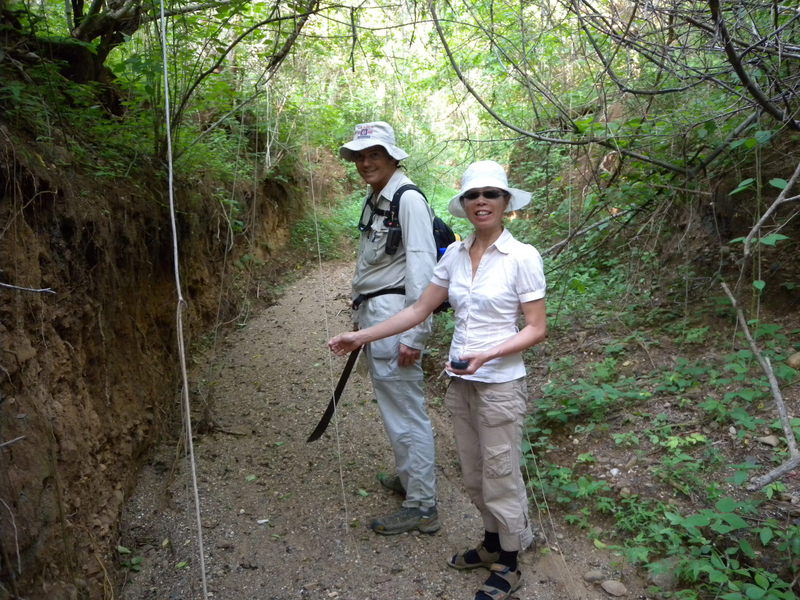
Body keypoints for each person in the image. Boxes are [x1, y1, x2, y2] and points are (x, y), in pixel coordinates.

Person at [328, 160, 546, 600]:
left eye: (490, 194)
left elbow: (536, 327)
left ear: (506, 203)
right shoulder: (456, 255)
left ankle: (510, 562)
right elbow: (417, 309)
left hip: (500, 384)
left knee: (501, 473)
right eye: (472, 195)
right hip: (461, 381)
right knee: (473, 471)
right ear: (464, 205)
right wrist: (361, 335)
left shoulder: (522, 256)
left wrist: (488, 353)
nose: (480, 202)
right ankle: (490, 544)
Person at [338, 121, 440, 535]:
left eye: (373, 154)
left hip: (397, 318)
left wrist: (416, 334)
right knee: (396, 407)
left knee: (404, 412)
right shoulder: (377, 197)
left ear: (393, 156)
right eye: (360, 156)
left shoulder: (407, 199)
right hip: (379, 313)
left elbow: (423, 270)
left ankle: (422, 505)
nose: (365, 163)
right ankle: (412, 478)